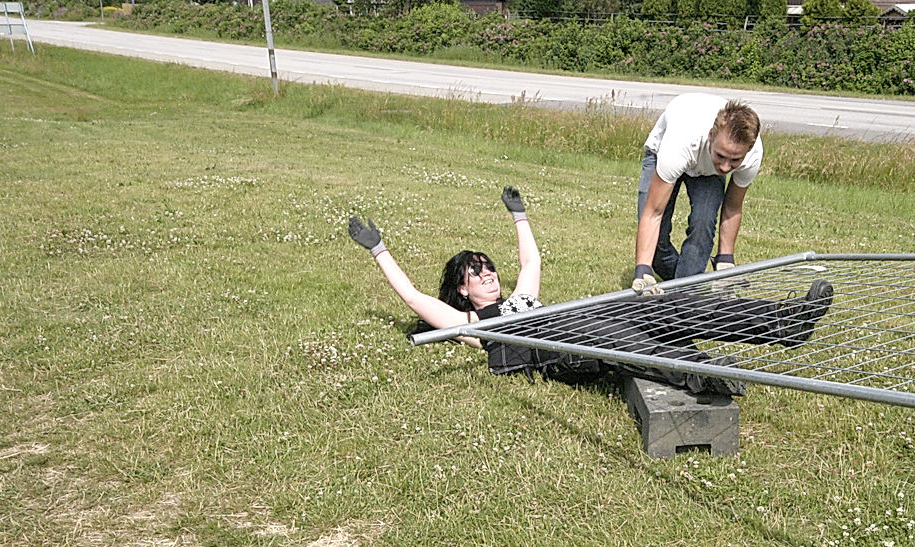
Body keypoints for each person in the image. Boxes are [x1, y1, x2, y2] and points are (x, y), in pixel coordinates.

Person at [348, 187, 832, 397]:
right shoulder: (471, 326)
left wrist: (518, 215)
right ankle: (704, 375)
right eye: (477, 274)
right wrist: (379, 250)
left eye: (489, 267)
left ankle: (786, 324)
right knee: (621, 342)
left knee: (674, 303)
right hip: (555, 347)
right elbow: (414, 298)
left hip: (574, 318)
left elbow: (531, 262)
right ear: (462, 290)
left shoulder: (520, 295)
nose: (490, 275)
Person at [634, 94, 763, 291]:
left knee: (703, 223)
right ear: (711, 136)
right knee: (656, 239)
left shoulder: (752, 154)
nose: (726, 167)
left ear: (749, 149)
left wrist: (725, 259)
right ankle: (683, 286)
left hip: (706, 169)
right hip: (666, 153)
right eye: (721, 155)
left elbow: (732, 208)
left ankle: (683, 297)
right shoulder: (680, 143)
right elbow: (654, 212)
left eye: (734, 160)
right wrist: (643, 270)